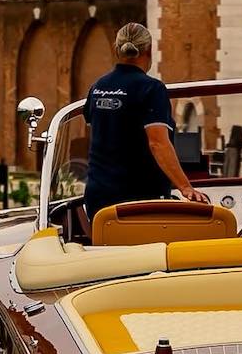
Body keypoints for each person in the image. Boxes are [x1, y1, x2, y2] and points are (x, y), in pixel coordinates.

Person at [82, 22, 210, 222]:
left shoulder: (97, 87)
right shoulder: (152, 89)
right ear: (149, 50)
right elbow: (158, 143)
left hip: (98, 199)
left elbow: (97, 128)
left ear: (117, 50)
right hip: (138, 201)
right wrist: (185, 187)